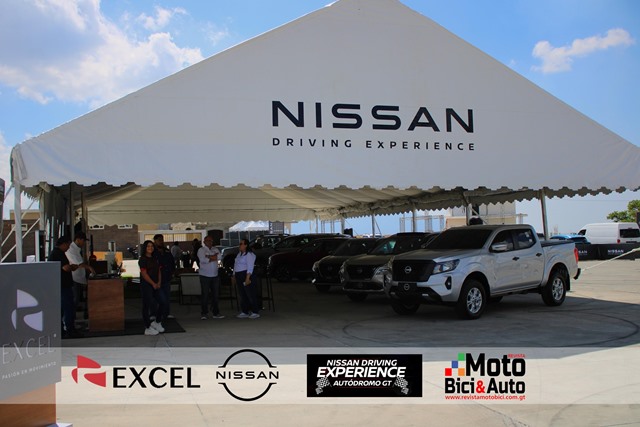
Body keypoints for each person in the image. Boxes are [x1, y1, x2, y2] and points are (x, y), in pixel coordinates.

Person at [49, 235, 83, 338]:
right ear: (63, 244)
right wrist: (73, 267)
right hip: (63, 285)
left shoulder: (56, 253)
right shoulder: (58, 253)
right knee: (68, 308)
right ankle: (70, 330)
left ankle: (63, 330)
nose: (68, 248)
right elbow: (66, 268)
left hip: (60, 285)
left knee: (63, 309)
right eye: (68, 245)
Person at [138, 240, 168, 336]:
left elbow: (159, 271)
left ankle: (157, 322)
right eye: (148, 246)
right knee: (146, 305)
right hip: (147, 285)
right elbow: (144, 273)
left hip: (156, 284)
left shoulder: (155, 258)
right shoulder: (142, 259)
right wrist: (152, 283)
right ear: (145, 248)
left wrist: (158, 282)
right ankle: (147, 327)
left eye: (151, 246)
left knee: (163, 302)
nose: (150, 248)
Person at [65, 232, 95, 320]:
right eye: (83, 241)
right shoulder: (71, 250)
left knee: (77, 299)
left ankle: (72, 319)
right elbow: (78, 264)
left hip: (78, 278)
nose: (84, 243)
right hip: (74, 278)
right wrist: (89, 268)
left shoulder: (76, 249)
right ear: (78, 240)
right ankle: (71, 320)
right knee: (75, 299)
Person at [197, 236, 223, 320]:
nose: (210, 242)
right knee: (205, 295)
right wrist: (214, 257)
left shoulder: (215, 249)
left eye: (211, 240)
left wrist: (208, 256)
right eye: (208, 240)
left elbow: (219, 257)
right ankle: (204, 313)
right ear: (204, 242)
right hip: (205, 275)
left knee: (215, 295)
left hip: (215, 275)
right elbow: (203, 260)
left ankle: (216, 313)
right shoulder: (201, 250)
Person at [233, 238, 260, 319]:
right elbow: (236, 265)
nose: (239, 245)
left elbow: (250, 266)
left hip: (245, 275)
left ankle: (255, 311)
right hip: (239, 275)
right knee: (242, 294)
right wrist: (234, 275)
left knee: (250, 293)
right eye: (240, 244)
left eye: (241, 244)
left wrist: (247, 278)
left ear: (246, 245)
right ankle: (245, 311)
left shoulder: (249, 254)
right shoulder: (239, 254)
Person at [154, 234, 176, 319]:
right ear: (155, 241)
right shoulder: (153, 251)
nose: (161, 241)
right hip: (156, 278)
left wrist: (172, 272)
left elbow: (172, 262)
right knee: (156, 297)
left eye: (162, 240)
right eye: (159, 240)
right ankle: (154, 314)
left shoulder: (166, 251)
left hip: (166, 277)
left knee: (166, 296)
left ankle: (166, 313)